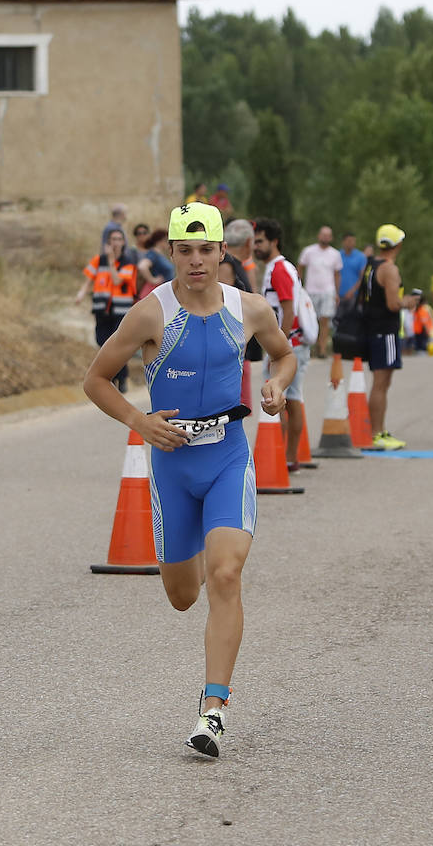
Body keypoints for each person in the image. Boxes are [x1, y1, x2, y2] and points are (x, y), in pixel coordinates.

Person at [82, 201, 295, 757]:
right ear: (170, 254)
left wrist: (276, 386)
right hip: (173, 467)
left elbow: (284, 355)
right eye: (185, 251)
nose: (197, 261)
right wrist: (139, 421)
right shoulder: (150, 314)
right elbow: (97, 379)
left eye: (207, 249)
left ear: (223, 251)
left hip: (227, 455)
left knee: (226, 574)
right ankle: (194, 545)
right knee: (182, 595)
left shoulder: (249, 309)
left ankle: (212, 712)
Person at [254, 219, 310, 469]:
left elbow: (288, 309)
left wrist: (279, 347)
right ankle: (287, 456)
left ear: (273, 241)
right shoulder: (275, 268)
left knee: (287, 399)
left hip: (290, 343)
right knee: (290, 398)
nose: (256, 246)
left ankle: (287, 457)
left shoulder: (279, 269)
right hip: (289, 342)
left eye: (260, 241)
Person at [361, 224, 421, 450]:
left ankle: (379, 430)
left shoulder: (371, 266)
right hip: (385, 330)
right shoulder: (389, 269)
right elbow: (393, 303)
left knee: (381, 383)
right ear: (399, 244)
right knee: (381, 383)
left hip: (373, 328)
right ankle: (376, 433)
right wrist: (409, 302)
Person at [75, 228, 139, 392]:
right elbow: (89, 280)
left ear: (123, 242)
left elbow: (117, 281)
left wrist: (111, 262)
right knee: (101, 341)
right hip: (102, 308)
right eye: (113, 239)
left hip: (120, 310)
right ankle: (115, 375)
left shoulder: (128, 262)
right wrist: (81, 294)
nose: (115, 242)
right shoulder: (98, 260)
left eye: (119, 239)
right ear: (108, 242)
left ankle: (121, 378)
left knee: (117, 345)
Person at [298, 226, 344, 358]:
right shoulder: (309, 251)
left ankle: (322, 349)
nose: (325, 237)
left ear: (331, 238)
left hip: (327, 291)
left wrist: (336, 293)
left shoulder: (335, 254)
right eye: (323, 235)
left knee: (325, 320)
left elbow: (337, 274)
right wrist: (299, 287)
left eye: (327, 235)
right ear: (319, 236)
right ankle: (310, 346)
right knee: (310, 319)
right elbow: (300, 268)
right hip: (310, 290)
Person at [337, 232, 367, 302]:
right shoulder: (337, 255)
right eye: (349, 241)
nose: (352, 243)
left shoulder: (361, 257)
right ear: (343, 242)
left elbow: (362, 277)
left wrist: (352, 291)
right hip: (338, 295)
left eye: (354, 241)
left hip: (354, 295)